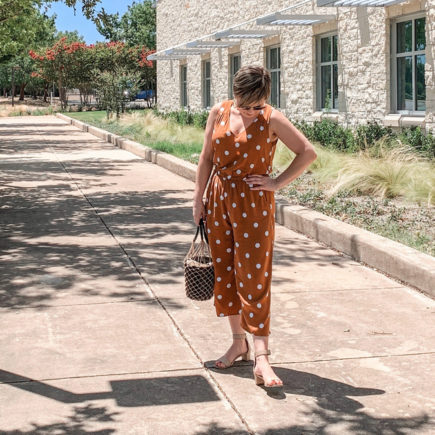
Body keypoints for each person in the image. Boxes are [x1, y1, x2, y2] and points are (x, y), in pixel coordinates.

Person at [193, 65, 317, 389]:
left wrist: (276, 182)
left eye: (257, 106)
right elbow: (206, 158)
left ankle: (262, 356)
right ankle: (238, 343)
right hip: (218, 200)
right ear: (235, 94)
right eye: (246, 106)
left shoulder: (272, 117)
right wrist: (198, 200)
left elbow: (307, 152)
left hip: (254, 205)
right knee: (225, 273)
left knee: (254, 275)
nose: (251, 112)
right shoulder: (218, 112)